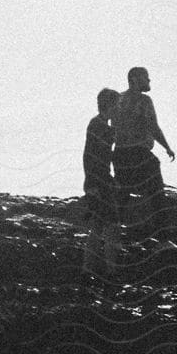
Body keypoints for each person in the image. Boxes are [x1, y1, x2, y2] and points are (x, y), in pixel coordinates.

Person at [112, 66, 176, 241]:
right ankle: (162, 236)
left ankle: (113, 233)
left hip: (119, 153)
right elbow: (153, 126)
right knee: (156, 191)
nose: (149, 81)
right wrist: (167, 147)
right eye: (145, 78)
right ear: (134, 79)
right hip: (138, 152)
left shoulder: (117, 99)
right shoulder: (144, 100)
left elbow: (112, 127)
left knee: (122, 193)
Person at [82, 88, 120, 276]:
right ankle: (110, 271)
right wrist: (95, 185)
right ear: (110, 105)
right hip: (99, 182)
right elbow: (91, 157)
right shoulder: (101, 126)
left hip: (99, 180)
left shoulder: (98, 124)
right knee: (112, 226)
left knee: (97, 225)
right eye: (117, 105)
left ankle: (89, 269)